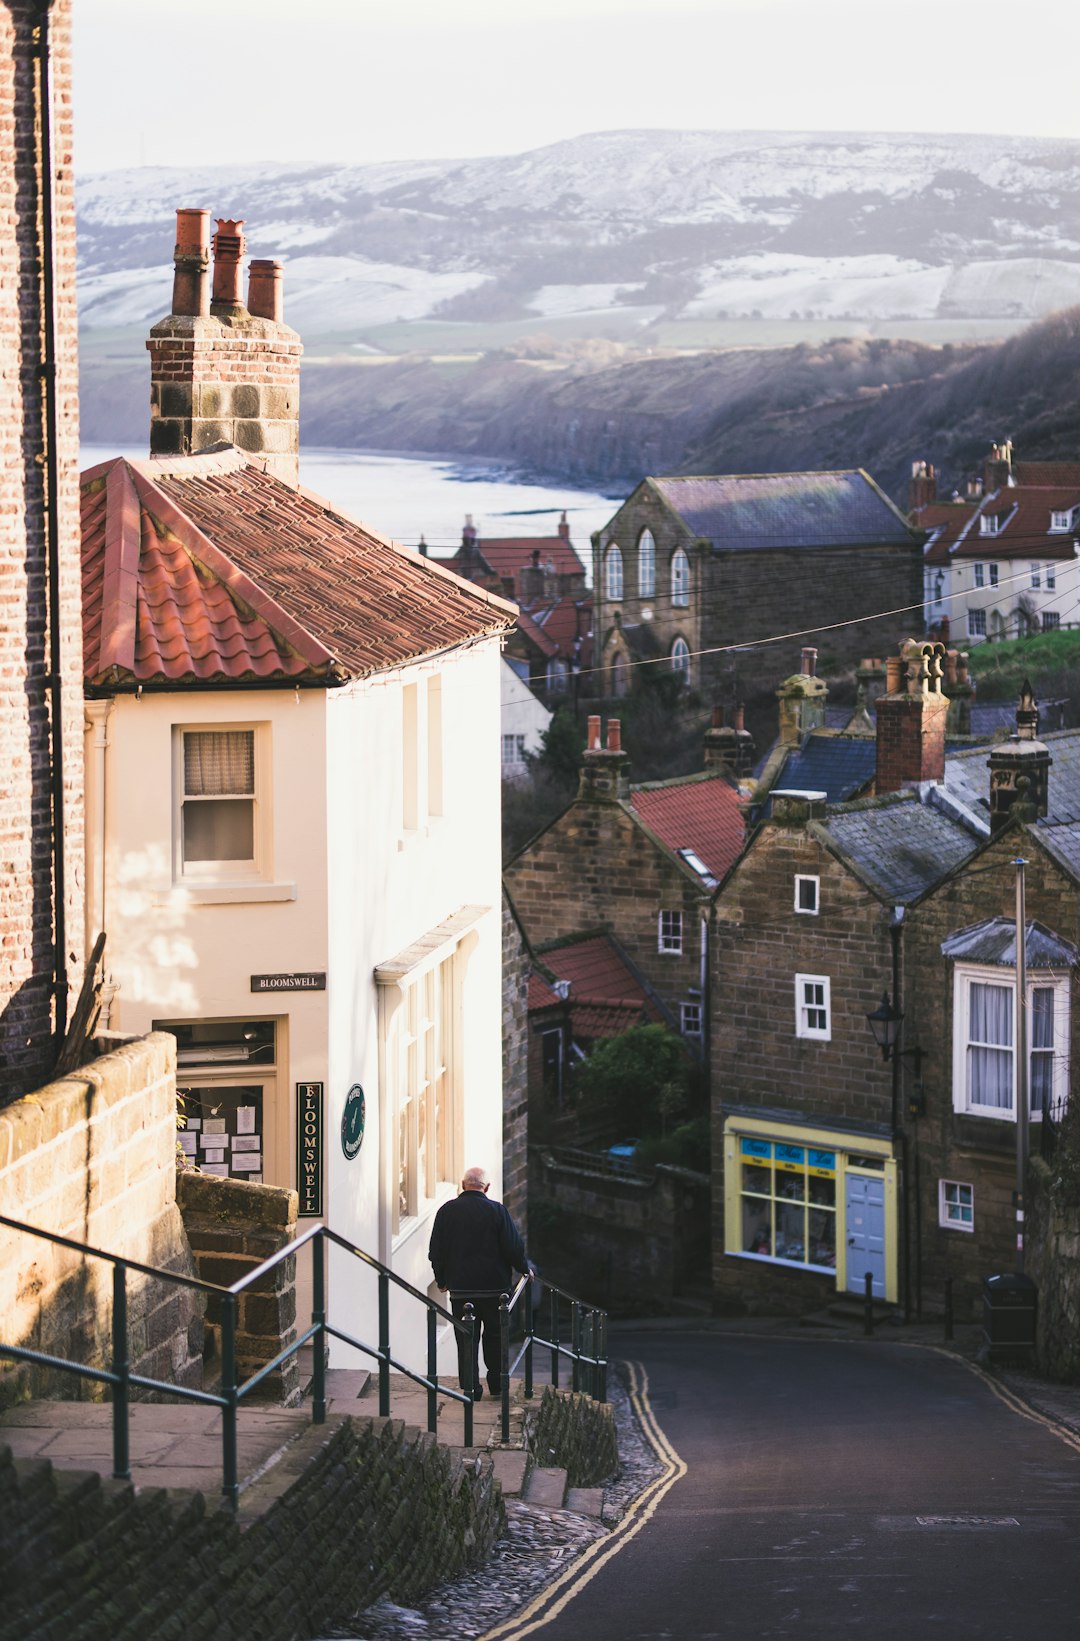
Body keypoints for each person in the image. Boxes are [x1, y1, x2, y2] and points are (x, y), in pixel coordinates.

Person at [428, 1166, 529, 1400]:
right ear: (487, 1187)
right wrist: (524, 1269)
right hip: (495, 1290)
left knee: (466, 1339)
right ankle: (496, 1384)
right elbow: (513, 1247)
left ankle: (471, 1388)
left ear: (463, 1185)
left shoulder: (446, 1211)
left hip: (461, 1290)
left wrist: (442, 1280)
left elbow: (436, 1251)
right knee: (495, 1337)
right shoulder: (497, 1211)